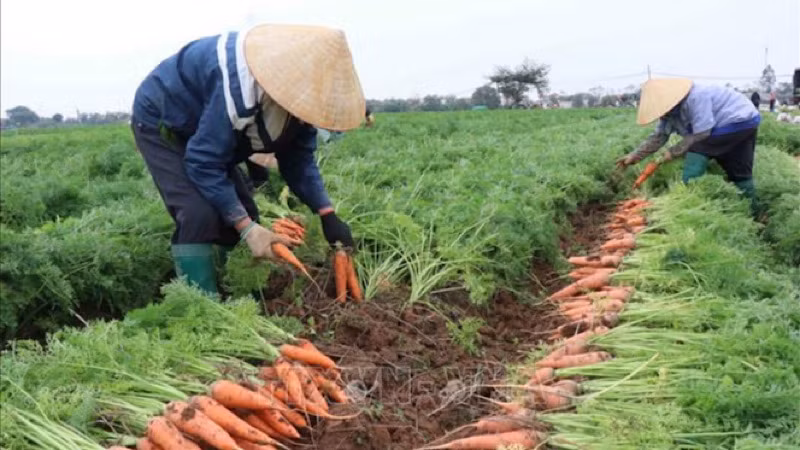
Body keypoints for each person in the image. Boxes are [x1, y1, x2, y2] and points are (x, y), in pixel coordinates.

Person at [131, 24, 365, 295]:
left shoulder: (298, 108)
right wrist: (249, 230)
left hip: (206, 133)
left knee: (245, 212)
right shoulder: (239, 90)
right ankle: (198, 305)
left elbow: (298, 161)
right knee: (199, 213)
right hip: (164, 122)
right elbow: (203, 161)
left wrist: (327, 214)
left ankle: (232, 288)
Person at [617, 78, 761, 206]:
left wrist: (672, 152)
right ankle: (753, 212)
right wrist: (634, 157)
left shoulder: (696, 97)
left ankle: (688, 200)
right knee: (739, 170)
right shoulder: (670, 114)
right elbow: (659, 137)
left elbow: (702, 133)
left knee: (696, 148)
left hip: (736, 121)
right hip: (746, 123)